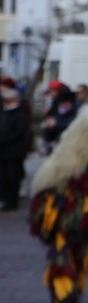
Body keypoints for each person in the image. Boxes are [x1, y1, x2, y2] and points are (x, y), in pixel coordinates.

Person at [28, 102, 88, 303]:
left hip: (83, 211)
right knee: (62, 255)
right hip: (66, 211)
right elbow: (54, 179)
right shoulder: (70, 152)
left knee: (81, 255)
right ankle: (63, 296)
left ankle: (73, 293)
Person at [0, 77, 30, 211]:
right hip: (3, 151)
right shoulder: (4, 113)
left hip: (14, 151)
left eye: (8, 101)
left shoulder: (20, 114)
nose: (6, 103)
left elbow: (19, 131)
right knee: (3, 177)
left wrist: (4, 138)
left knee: (12, 177)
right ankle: (5, 199)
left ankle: (12, 200)